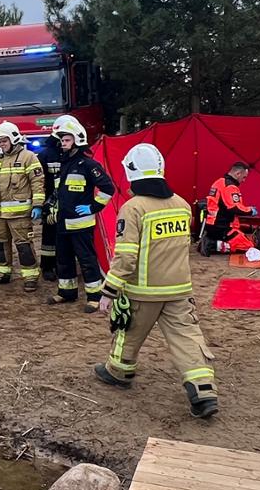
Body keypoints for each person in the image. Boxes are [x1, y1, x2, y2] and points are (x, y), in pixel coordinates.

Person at [91, 143, 220, 419]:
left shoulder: (133, 208)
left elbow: (125, 257)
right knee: (188, 339)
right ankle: (203, 389)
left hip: (143, 291)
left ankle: (119, 371)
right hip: (179, 289)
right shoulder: (182, 205)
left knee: (129, 332)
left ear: (131, 173)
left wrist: (109, 291)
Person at [47, 115, 114, 308]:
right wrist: (52, 207)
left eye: (67, 140)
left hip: (81, 223)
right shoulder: (64, 164)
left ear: (78, 140)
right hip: (63, 222)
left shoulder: (89, 165)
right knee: (63, 259)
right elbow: (60, 192)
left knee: (87, 260)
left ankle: (94, 298)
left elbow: (108, 188)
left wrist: (93, 207)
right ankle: (66, 293)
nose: (63, 143)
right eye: (62, 140)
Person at [0, 121, 45, 290]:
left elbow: (38, 182)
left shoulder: (28, 157)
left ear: (14, 139)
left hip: (20, 214)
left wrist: (38, 205)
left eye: (3, 140)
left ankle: (30, 277)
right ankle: (2, 273)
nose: (1, 145)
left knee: (24, 246)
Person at [199, 162, 257, 255]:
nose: (244, 180)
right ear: (238, 174)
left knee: (242, 238)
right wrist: (250, 211)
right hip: (222, 227)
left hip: (212, 224)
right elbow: (234, 208)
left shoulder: (219, 182)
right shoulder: (230, 187)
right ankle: (212, 245)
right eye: (244, 177)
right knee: (248, 246)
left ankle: (212, 240)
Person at [37, 126, 65, 281]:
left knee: (65, 236)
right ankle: (47, 267)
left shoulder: (72, 155)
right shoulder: (45, 155)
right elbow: (38, 181)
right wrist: (42, 204)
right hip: (50, 202)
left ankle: (63, 266)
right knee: (49, 236)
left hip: (68, 202)